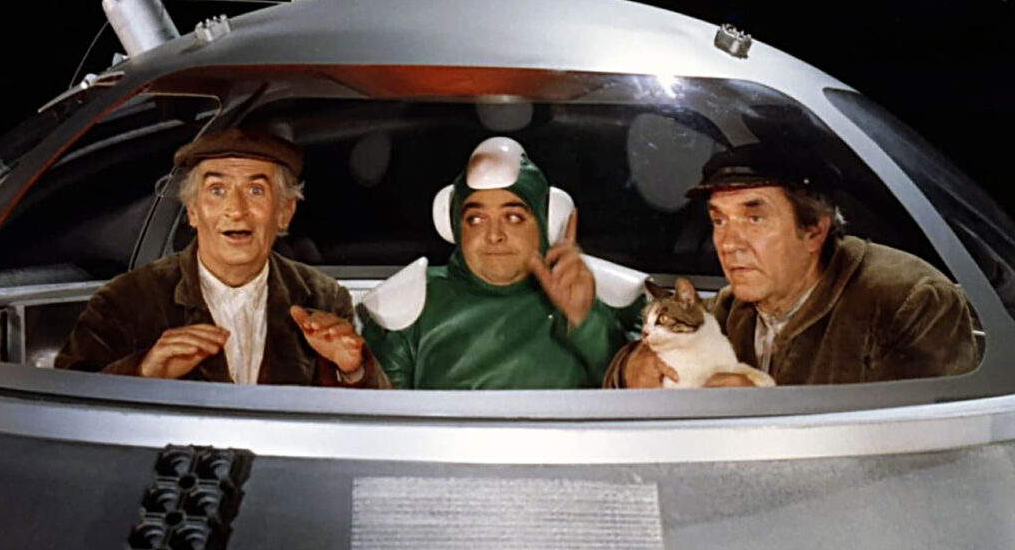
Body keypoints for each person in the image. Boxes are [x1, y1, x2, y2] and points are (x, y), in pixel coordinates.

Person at [613, 141, 978, 387]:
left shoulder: (908, 301)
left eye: (754, 219)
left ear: (814, 231)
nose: (727, 243)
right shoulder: (732, 308)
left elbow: (927, 453)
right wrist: (633, 369)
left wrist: (759, 416)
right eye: (719, 220)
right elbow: (632, 368)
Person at [56, 128, 390, 388]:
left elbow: (365, 424)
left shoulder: (323, 296)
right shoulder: (125, 299)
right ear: (192, 210)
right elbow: (68, 405)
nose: (236, 210)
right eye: (217, 191)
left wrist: (353, 370)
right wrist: (143, 372)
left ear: (285, 212)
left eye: (256, 190)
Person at [359, 137, 645, 389]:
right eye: (476, 219)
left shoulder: (609, 300)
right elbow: (378, 417)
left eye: (513, 217)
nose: (494, 235)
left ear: (547, 221)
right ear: (454, 225)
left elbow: (641, 397)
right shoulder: (407, 308)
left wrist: (587, 321)